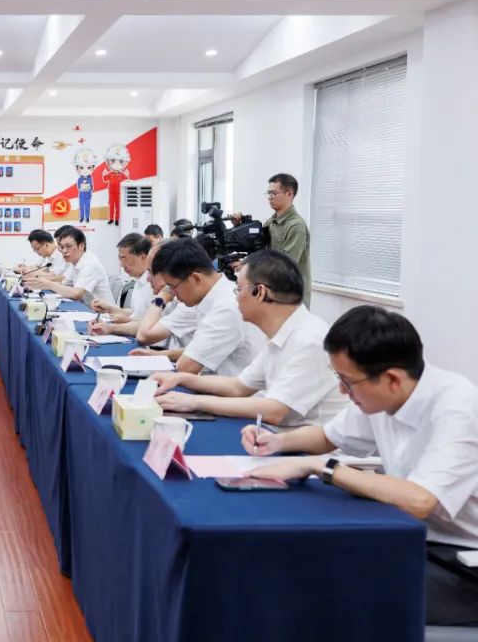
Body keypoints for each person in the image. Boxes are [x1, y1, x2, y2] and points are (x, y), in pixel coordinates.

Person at [243, 306, 478, 626]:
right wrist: (276, 442)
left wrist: (325, 468)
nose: (342, 391)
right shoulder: (384, 394)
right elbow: (327, 437)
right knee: (303, 561)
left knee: (336, 590)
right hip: (414, 538)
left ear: (392, 378)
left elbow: (421, 500)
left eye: (347, 381)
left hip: (463, 563)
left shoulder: (457, 407)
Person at [149, 250, 346, 425]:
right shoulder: (281, 333)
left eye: (239, 289)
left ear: (260, 292)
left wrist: (194, 401)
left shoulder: (308, 339)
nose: (236, 297)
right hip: (274, 434)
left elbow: (274, 411)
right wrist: (180, 379)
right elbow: (238, 387)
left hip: (302, 447)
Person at [149, 238, 253, 375]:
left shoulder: (225, 308)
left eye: (173, 286)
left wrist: (165, 356)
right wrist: (163, 355)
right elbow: (200, 349)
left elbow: (185, 367)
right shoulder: (214, 297)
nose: (172, 293)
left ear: (196, 278)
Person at [234, 173, 311, 306]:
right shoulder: (272, 222)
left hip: (291, 296)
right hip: (275, 292)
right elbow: (257, 243)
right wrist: (239, 225)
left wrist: (250, 266)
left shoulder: (296, 226)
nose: (270, 198)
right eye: (268, 193)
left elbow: (285, 265)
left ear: (289, 194)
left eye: (274, 193)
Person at [23, 227, 115, 306]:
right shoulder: (75, 261)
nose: (64, 251)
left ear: (81, 246)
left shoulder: (90, 264)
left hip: (105, 315)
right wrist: (41, 283)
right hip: (87, 308)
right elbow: (63, 284)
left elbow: (76, 293)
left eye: (68, 246)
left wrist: (49, 284)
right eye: (62, 247)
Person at [89, 233, 153, 322]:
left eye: (124, 258)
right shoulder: (138, 281)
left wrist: (124, 321)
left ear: (143, 257)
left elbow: (150, 323)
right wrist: (109, 309)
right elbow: (136, 313)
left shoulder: (154, 284)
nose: (122, 265)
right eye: (120, 259)